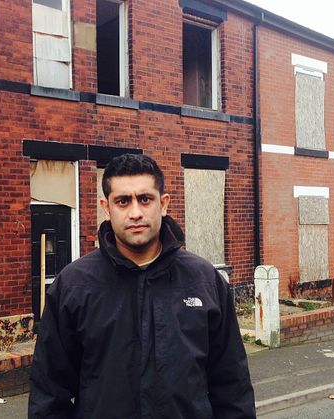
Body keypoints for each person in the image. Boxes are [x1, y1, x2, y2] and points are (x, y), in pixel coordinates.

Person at [28, 154, 256, 418]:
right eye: (123, 201)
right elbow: (48, 394)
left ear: (164, 204)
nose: (135, 213)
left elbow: (232, 388)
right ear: (106, 207)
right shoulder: (74, 285)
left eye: (145, 199)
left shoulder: (203, 280)